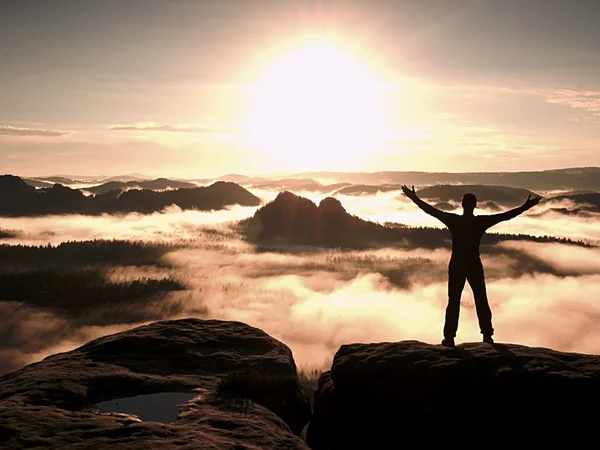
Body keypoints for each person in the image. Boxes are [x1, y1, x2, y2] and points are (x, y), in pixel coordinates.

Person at [401, 185, 542, 347]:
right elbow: (506, 216)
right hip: (474, 264)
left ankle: (449, 337)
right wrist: (526, 206)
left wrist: (414, 198)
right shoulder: (480, 222)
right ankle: (487, 335)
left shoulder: (454, 220)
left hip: (457, 264)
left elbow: (431, 211)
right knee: (481, 298)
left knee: (453, 301)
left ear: (462, 204)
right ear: (475, 205)